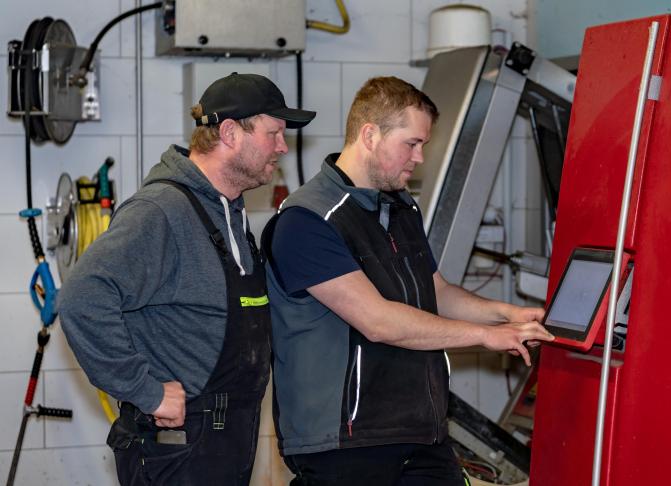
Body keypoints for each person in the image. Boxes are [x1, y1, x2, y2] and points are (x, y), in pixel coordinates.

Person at [262, 76, 554, 486]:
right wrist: (485, 337)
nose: (419, 158)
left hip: (420, 430)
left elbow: (437, 292)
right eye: (411, 144)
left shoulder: (400, 207)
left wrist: (509, 316)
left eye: (423, 146)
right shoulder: (306, 221)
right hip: (347, 443)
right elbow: (377, 322)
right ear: (369, 135)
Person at [58, 73, 315, 485]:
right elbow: (81, 298)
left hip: (226, 443)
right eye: (274, 133)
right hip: (177, 453)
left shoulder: (230, 211)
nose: (283, 148)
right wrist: (147, 392)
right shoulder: (161, 211)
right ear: (231, 132)